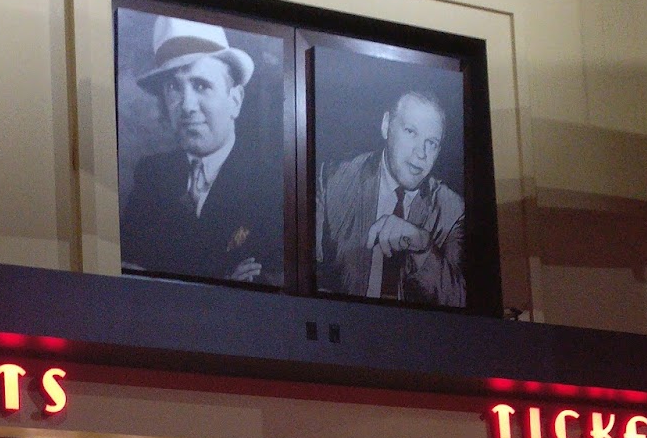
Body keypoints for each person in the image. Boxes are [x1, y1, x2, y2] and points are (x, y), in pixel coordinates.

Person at [119, 16, 282, 286]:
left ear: (235, 100)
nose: (187, 106)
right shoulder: (152, 174)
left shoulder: (269, 185)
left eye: (201, 86)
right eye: (174, 87)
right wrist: (224, 278)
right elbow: (130, 267)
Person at [316, 90, 466, 307]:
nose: (421, 153)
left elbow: (460, 300)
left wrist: (424, 247)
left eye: (431, 143)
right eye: (411, 132)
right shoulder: (334, 182)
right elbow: (302, 275)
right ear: (386, 125)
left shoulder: (452, 209)